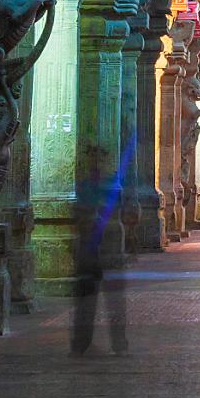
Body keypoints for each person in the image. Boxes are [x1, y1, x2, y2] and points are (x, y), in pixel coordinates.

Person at [71, 146, 128, 356]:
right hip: (91, 249)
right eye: (92, 158)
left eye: (100, 158)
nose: (96, 163)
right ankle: (81, 343)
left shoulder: (106, 186)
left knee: (112, 301)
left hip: (107, 248)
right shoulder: (88, 187)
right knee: (87, 299)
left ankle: (117, 342)